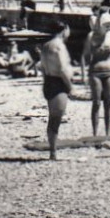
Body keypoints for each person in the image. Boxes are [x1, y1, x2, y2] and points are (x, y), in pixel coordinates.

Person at [81, 10, 110, 137]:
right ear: (100, 24)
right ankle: (94, 133)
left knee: (108, 102)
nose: (108, 28)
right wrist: (84, 74)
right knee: (96, 102)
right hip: (95, 72)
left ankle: (107, 132)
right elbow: (84, 56)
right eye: (106, 26)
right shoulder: (91, 36)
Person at [39, 21, 74, 160]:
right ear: (64, 30)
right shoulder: (59, 46)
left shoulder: (46, 46)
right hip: (58, 82)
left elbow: (42, 67)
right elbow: (62, 69)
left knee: (52, 117)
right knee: (56, 119)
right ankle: (53, 153)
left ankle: (53, 151)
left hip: (48, 80)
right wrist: (70, 86)